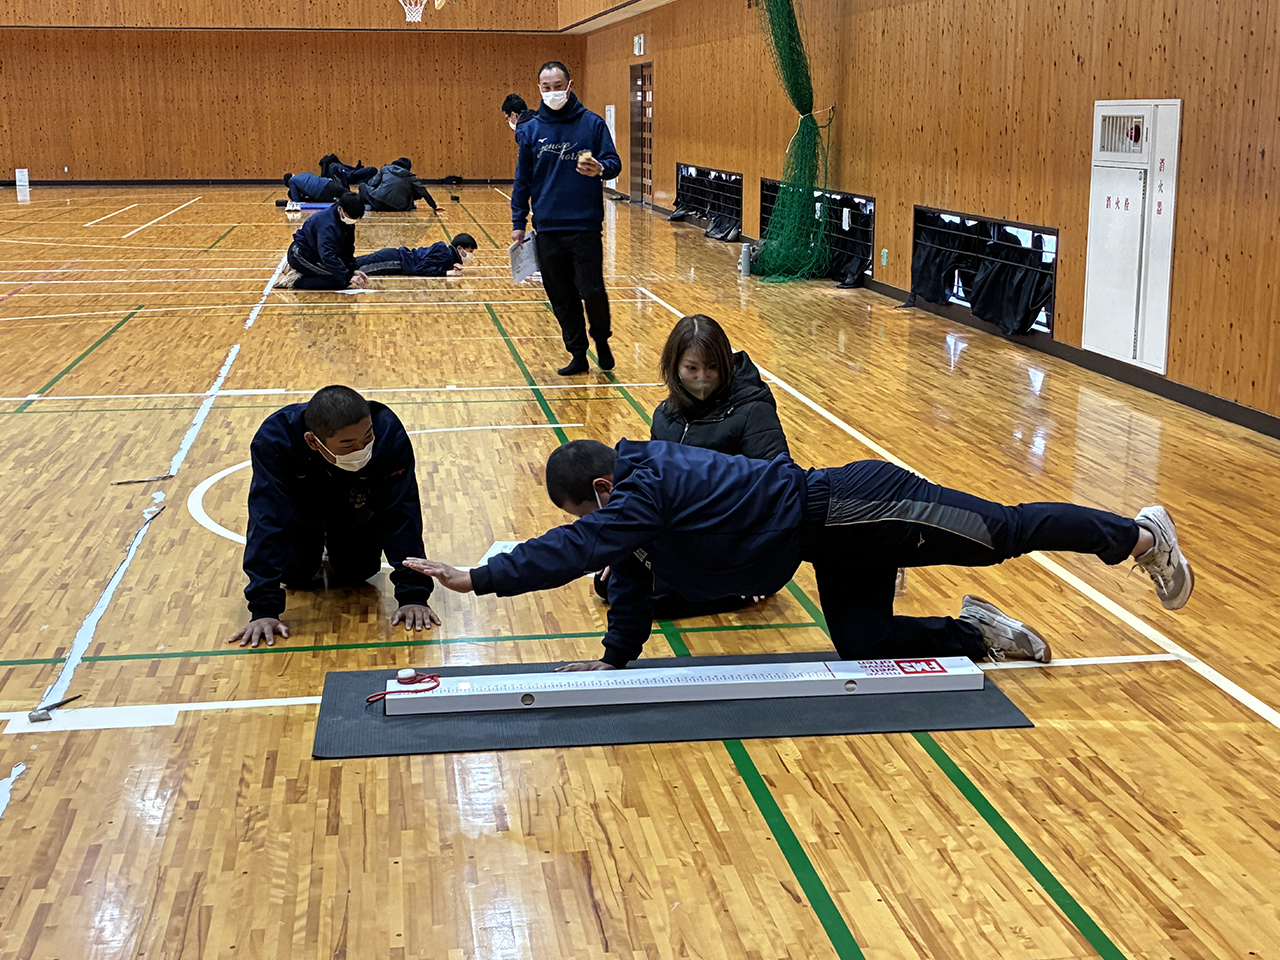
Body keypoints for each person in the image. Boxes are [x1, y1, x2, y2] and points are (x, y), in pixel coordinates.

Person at [405, 438, 1194, 671]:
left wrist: (476, 577)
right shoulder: (634, 516)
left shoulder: (643, 490)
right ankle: (976, 634)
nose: (598, 531)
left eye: (591, 514)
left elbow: (577, 551)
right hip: (827, 541)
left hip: (860, 502)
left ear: (603, 490)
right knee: (863, 642)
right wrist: (612, 665)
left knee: (1002, 535)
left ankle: (1138, 536)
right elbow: (628, 585)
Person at [594, 314, 788, 618]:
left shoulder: (754, 411)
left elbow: (779, 486)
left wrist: (758, 554)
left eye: (712, 368)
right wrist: (626, 549)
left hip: (734, 540)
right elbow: (650, 490)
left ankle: (732, 587)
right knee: (609, 582)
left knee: (639, 594)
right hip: (687, 539)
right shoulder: (665, 415)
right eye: (692, 369)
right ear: (675, 368)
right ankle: (715, 588)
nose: (702, 378)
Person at [230, 385, 440, 649]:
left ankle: (340, 549)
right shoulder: (275, 440)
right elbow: (266, 520)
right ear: (312, 441)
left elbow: (401, 512)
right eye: (348, 444)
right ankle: (311, 551)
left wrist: (414, 596)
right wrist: (263, 611)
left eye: (367, 436)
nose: (362, 448)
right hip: (301, 517)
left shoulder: (388, 432)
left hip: (356, 511)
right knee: (295, 577)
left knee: (358, 574)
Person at [511, 61, 622, 376]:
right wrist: (519, 222)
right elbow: (523, 179)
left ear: (570, 85)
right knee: (561, 296)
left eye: (558, 86)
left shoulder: (592, 124)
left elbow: (614, 162)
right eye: (546, 88)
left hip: (584, 226)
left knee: (592, 290)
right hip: (547, 228)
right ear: (539, 90)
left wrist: (600, 168)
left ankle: (601, 338)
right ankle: (578, 353)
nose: (552, 92)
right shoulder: (530, 131)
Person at [276, 193, 369, 290]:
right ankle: (294, 280)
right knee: (340, 281)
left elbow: (348, 247)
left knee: (342, 276)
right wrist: (348, 276)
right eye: (351, 217)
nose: (353, 220)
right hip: (301, 255)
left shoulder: (346, 221)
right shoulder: (327, 225)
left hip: (316, 254)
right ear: (341, 209)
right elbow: (327, 255)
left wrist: (353, 269)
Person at [353, 234, 477, 278]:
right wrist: (445, 273)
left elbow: (431, 261)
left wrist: (450, 267)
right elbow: (420, 268)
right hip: (396, 261)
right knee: (359, 268)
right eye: (469, 251)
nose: (470, 255)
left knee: (358, 263)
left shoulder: (447, 253)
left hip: (396, 256)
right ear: (459, 248)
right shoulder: (446, 255)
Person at [359, 158, 440, 213]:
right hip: (399, 207)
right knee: (413, 191)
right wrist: (434, 206)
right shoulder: (410, 177)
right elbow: (423, 192)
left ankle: (364, 205)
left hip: (379, 203)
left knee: (362, 185)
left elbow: (372, 183)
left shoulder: (385, 169)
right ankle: (410, 205)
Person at [283, 171, 348, 203]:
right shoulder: (304, 174)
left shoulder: (291, 181)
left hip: (320, 193)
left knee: (335, 202)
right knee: (347, 194)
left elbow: (296, 200)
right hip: (328, 183)